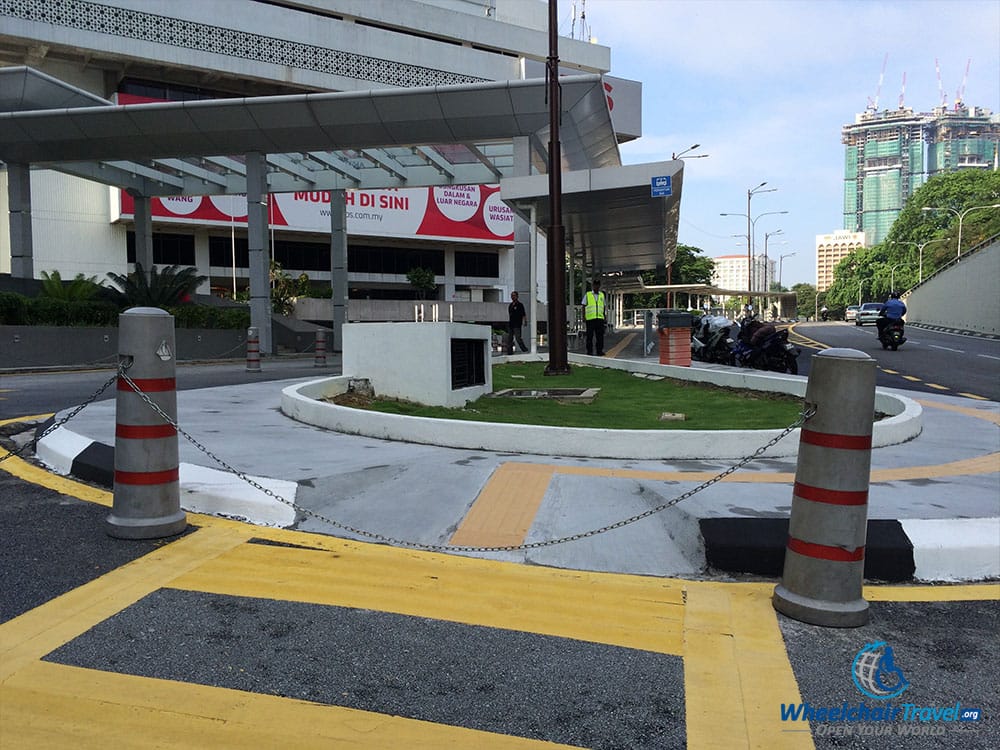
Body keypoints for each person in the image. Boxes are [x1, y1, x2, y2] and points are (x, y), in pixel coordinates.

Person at [582, 279, 607, 356]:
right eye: (595, 285)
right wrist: (584, 316)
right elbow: (583, 305)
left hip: (599, 318)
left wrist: (604, 316)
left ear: (599, 286)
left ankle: (599, 351)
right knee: (590, 336)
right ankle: (589, 351)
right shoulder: (588, 295)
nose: (596, 286)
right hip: (590, 319)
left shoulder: (602, 295)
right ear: (593, 286)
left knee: (600, 336)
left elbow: (604, 306)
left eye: (598, 285)